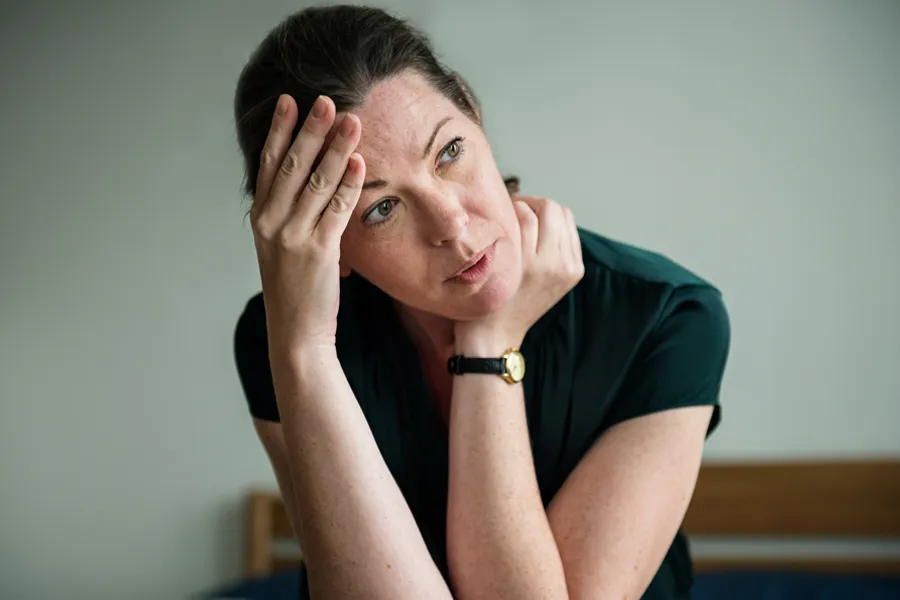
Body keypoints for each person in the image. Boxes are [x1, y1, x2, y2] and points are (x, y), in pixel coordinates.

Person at [231, 5, 730, 600]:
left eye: (449, 152)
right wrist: (305, 352)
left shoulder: (667, 318)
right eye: (382, 208)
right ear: (325, 241)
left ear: (472, 110)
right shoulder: (280, 342)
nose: (452, 224)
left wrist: (489, 344)